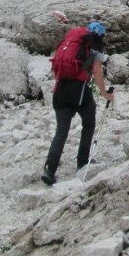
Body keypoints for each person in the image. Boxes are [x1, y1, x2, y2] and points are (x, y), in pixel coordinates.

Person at [42, 20, 114, 184]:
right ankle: (82, 162)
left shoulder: (72, 43)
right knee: (89, 123)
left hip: (59, 91)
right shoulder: (94, 49)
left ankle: (49, 170)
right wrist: (106, 94)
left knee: (61, 132)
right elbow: (97, 72)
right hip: (79, 93)